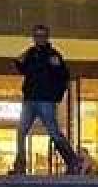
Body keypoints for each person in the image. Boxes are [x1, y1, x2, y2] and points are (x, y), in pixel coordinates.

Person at [13, 24, 80, 175]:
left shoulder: (52, 55)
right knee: (22, 131)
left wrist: (56, 71)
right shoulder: (32, 53)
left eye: (42, 36)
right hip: (31, 99)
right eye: (37, 36)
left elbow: (63, 74)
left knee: (53, 132)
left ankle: (72, 161)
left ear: (46, 37)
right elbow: (24, 69)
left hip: (44, 99)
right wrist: (19, 62)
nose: (39, 39)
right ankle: (21, 163)